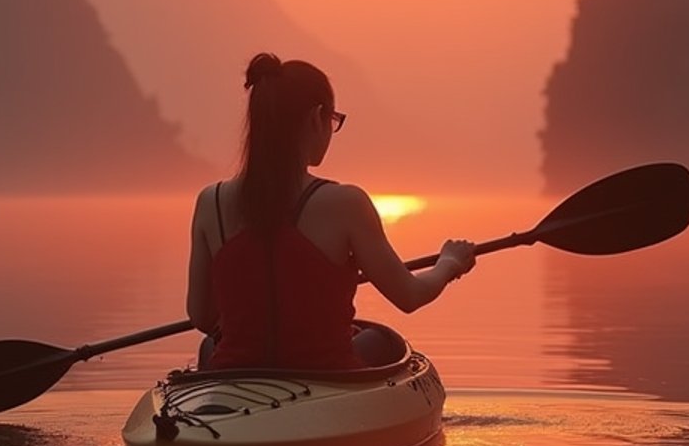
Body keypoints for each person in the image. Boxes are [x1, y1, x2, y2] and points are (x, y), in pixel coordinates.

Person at [185, 52, 475, 371]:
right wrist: (449, 264)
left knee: (209, 346)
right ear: (316, 118)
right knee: (382, 341)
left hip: (235, 379)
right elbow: (409, 295)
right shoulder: (346, 204)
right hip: (327, 378)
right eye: (333, 120)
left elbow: (202, 316)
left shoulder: (210, 202)